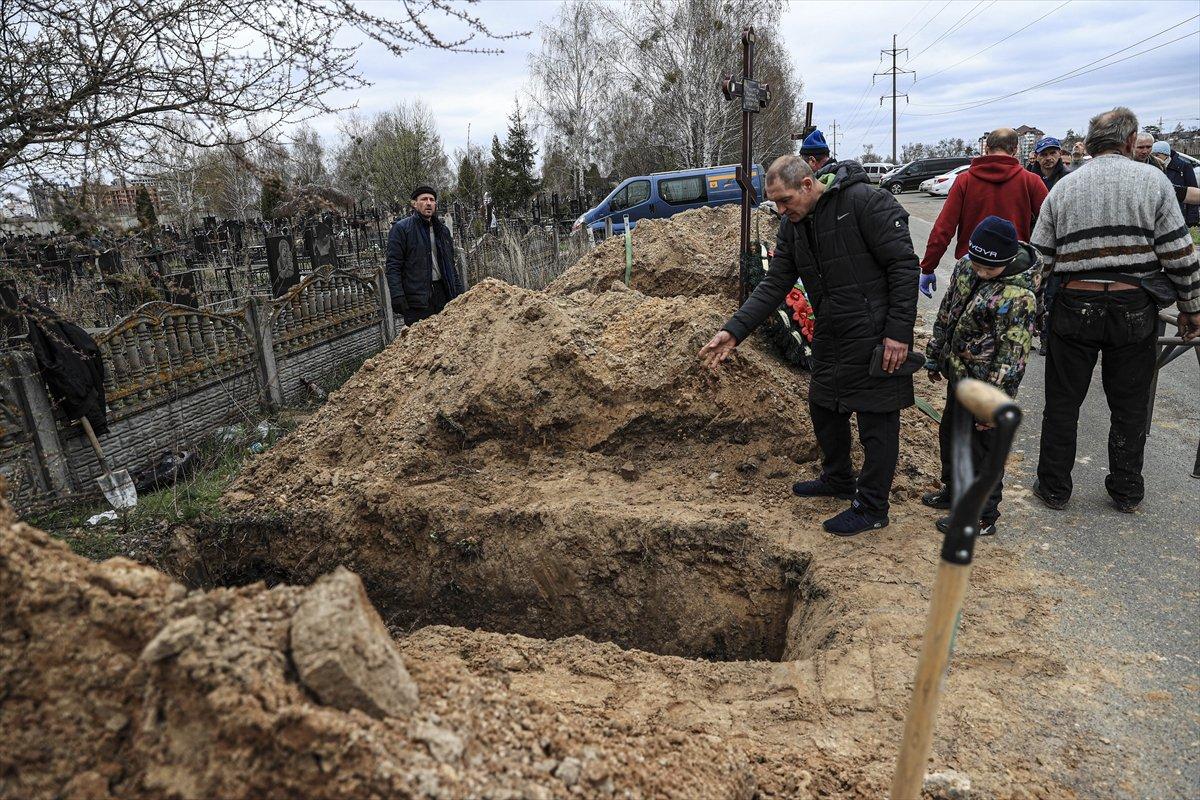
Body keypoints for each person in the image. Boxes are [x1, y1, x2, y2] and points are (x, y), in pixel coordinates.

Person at [698, 156, 919, 536]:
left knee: (876, 419)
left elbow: (904, 266)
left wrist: (897, 333)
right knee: (824, 405)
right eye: (776, 203)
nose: (781, 210)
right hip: (832, 331)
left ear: (806, 184)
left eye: (785, 200)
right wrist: (734, 332)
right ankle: (838, 478)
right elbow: (774, 283)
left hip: (877, 333)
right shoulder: (793, 226)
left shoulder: (866, 203)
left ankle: (871, 506)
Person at [1030, 107, 1200, 513]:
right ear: (1130, 142)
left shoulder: (1064, 189)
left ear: (1089, 145)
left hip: (1074, 305)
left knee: (1062, 402)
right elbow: (1180, 253)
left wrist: (1037, 314)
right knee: (1129, 404)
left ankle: (1054, 487)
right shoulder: (1154, 181)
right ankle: (1126, 489)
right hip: (1133, 308)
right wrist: (1192, 309)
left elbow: (1041, 261)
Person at [921, 216, 1039, 535]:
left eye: (989, 268)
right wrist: (935, 355)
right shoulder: (965, 267)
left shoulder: (1019, 297)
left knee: (981, 449)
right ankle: (954, 491)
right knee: (952, 436)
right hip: (959, 375)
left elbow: (1012, 357)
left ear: (1008, 260)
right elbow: (948, 312)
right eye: (977, 264)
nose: (981, 272)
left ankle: (982, 515)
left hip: (987, 385)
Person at [918, 128, 1048, 297]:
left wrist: (928, 266)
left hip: (973, 267)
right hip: (1014, 268)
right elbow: (1050, 225)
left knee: (964, 321)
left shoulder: (964, 181)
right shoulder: (1031, 181)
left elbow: (943, 228)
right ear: (1015, 149)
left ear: (987, 148)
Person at [385, 185, 464, 327]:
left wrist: (459, 292)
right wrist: (397, 295)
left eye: (432, 199)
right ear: (414, 204)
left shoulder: (443, 231)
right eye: (424, 199)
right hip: (418, 299)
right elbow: (393, 265)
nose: (428, 203)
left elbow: (450, 265)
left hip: (444, 294)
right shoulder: (402, 229)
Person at [1152, 140, 1200, 228]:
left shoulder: (1183, 166)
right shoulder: (1153, 167)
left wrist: (1192, 218)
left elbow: (1192, 190)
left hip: (1179, 211)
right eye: (1153, 155)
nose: (1155, 158)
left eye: (1157, 155)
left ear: (1166, 155)